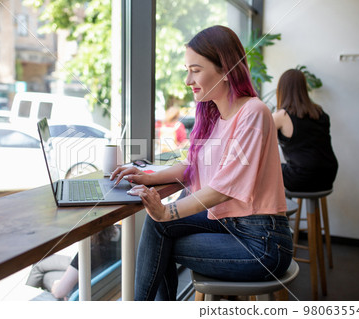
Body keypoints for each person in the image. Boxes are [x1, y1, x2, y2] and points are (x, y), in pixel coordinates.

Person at [110, 25, 292, 301]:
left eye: (195, 70)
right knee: (157, 228)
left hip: (262, 244)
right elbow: (190, 166)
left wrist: (167, 211)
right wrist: (145, 175)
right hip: (229, 224)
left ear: (226, 69)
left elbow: (223, 188)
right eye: (188, 70)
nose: (187, 80)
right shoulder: (215, 118)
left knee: (160, 239)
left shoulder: (254, 112)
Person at [272, 69, 338, 192]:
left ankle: (275, 210)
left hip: (301, 177)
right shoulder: (319, 112)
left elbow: (257, 136)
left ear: (282, 90)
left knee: (264, 169)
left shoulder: (282, 115)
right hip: (328, 175)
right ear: (304, 88)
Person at [26, 225, 120, 300]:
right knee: (41, 263)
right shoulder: (123, 233)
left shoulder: (89, 251)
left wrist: (56, 284)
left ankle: (28, 295)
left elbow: (59, 292)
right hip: (94, 273)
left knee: (44, 274)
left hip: (78, 286)